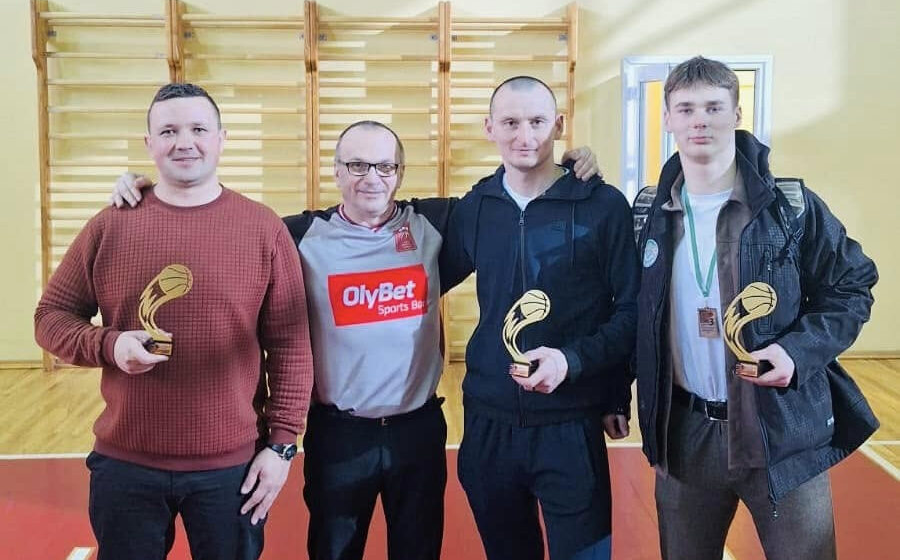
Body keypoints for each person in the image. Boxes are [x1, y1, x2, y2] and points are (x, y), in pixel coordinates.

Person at [109, 118, 599, 560]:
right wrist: (156, 191)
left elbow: (508, 195)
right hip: (339, 436)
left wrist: (563, 167)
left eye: (385, 166)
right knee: (334, 549)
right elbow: (224, 224)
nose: (372, 177)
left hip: (418, 432)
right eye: (357, 165)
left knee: (418, 550)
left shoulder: (433, 224)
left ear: (400, 173)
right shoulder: (298, 235)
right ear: (337, 171)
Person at [35, 83, 314, 560]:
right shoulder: (109, 225)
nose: (184, 142)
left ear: (222, 139)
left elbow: (290, 345)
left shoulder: (263, 228)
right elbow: (50, 318)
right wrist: (109, 345)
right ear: (149, 144)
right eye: (168, 131)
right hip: (126, 466)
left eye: (198, 129)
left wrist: (283, 445)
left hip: (232, 469)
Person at [633, 56, 879, 560]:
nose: (700, 120)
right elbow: (625, 313)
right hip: (685, 434)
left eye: (713, 107)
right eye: (686, 108)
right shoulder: (647, 212)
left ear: (737, 113)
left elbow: (853, 285)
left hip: (781, 434)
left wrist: (796, 352)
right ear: (668, 119)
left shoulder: (790, 205)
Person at [440, 76, 640, 560]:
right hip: (488, 424)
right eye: (510, 122)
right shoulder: (475, 208)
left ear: (559, 125)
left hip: (570, 423)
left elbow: (632, 310)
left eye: (537, 121)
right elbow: (413, 275)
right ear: (489, 128)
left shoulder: (602, 205)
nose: (525, 135)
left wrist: (592, 375)